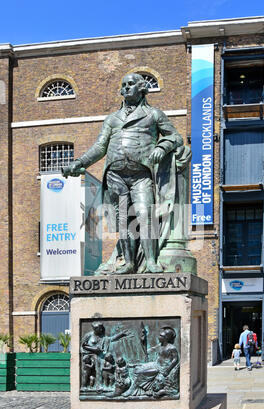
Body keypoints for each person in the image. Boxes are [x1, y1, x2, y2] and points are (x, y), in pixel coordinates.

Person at [62, 73, 191, 275]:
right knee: (124, 220)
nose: (126, 87)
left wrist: (162, 147)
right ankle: (128, 263)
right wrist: (79, 163)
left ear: (141, 89)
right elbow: (100, 146)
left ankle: (150, 262)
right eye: (124, 85)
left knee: (145, 214)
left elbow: (175, 137)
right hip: (115, 175)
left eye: (131, 84)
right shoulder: (112, 119)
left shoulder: (154, 114)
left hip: (141, 174)